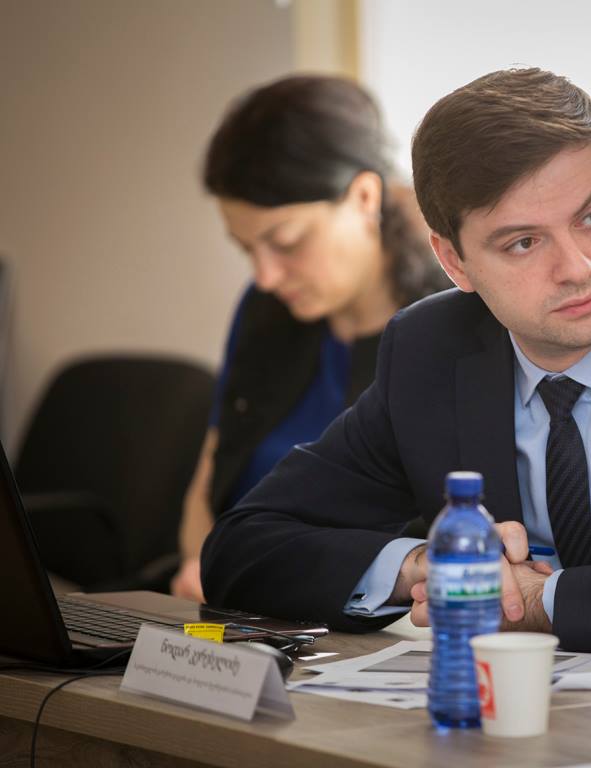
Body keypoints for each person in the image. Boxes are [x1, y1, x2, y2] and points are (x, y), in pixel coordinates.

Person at [202, 68, 591, 661]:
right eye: (524, 242)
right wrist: (427, 566)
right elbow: (243, 547)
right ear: (454, 263)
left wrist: (540, 602)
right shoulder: (430, 350)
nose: (578, 266)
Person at [170, 75, 450, 603]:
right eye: (246, 249)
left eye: (286, 243)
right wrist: (202, 565)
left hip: (368, 620)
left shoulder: (443, 329)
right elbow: (210, 481)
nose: (265, 276)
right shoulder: (266, 311)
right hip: (229, 604)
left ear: (364, 196)